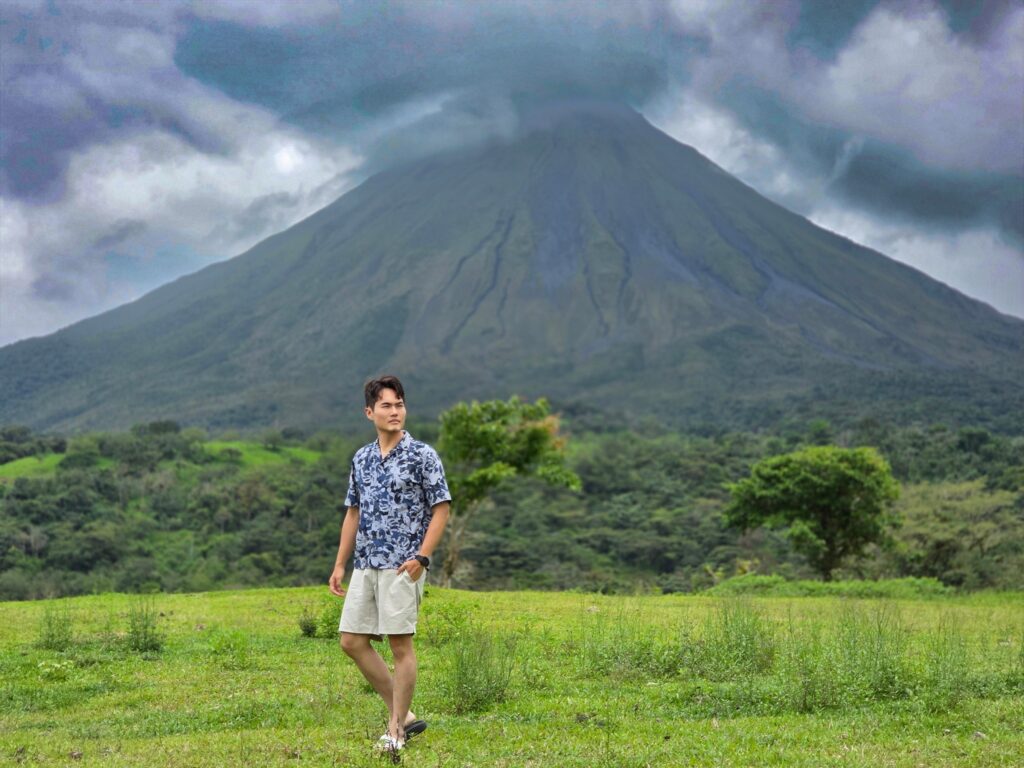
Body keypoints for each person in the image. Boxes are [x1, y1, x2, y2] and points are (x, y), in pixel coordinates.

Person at [328, 374, 452, 753]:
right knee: (351, 641)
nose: (394, 411)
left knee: (401, 647)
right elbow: (353, 513)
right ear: (370, 412)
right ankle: (406, 715)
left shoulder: (422, 455)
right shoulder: (362, 458)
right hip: (366, 563)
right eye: (386, 405)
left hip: (404, 565)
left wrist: (422, 557)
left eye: (399, 404)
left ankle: (396, 731)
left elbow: (441, 507)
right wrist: (339, 564)